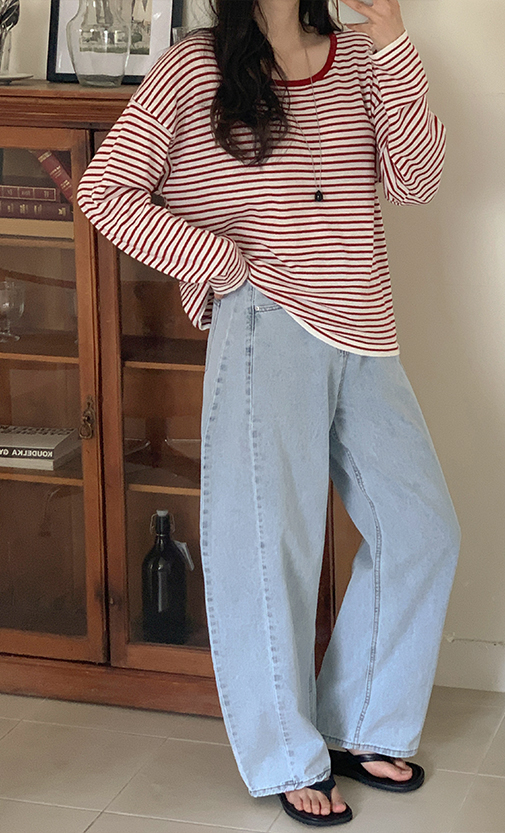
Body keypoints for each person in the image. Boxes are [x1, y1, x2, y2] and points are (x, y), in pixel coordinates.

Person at [76, 0, 461, 826]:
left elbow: (419, 180)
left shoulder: (362, 56)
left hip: (364, 323)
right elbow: (106, 190)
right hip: (266, 320)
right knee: (267, 547)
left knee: (422, 526)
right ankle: (288, 752)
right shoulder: (195, 65)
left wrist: (394, 37)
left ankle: (362, 722)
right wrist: (220, 261)